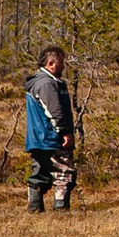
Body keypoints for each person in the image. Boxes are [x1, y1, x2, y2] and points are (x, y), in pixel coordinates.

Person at [23, 45, 80, 212]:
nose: (63, 67)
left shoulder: (39, 82)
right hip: (50, 137)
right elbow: (54, 110)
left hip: (38, 138)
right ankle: (60, 210)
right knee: (64, 173)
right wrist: (64, 133)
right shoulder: (46, 83)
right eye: (61, 63)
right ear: (51, 63)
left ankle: (35, 209)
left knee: (39, 175)